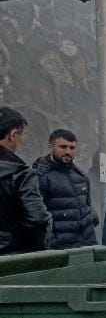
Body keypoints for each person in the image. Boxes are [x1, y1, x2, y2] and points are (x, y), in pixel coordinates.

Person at [34, 129, 98, 249]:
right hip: (59, 249)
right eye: (63, 147)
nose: (68, 151)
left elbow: (87, 203)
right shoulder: (40, 176)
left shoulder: (81, 175)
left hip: (86, 244)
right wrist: (52, 241)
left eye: (72, 147)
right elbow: (36, 215)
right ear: (50, 147)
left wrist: (91, 215)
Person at [0, 106, 51, 255]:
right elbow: (38, 219)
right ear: (13, 134)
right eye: (21, 136)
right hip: (13, 262)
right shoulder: (20, 173)